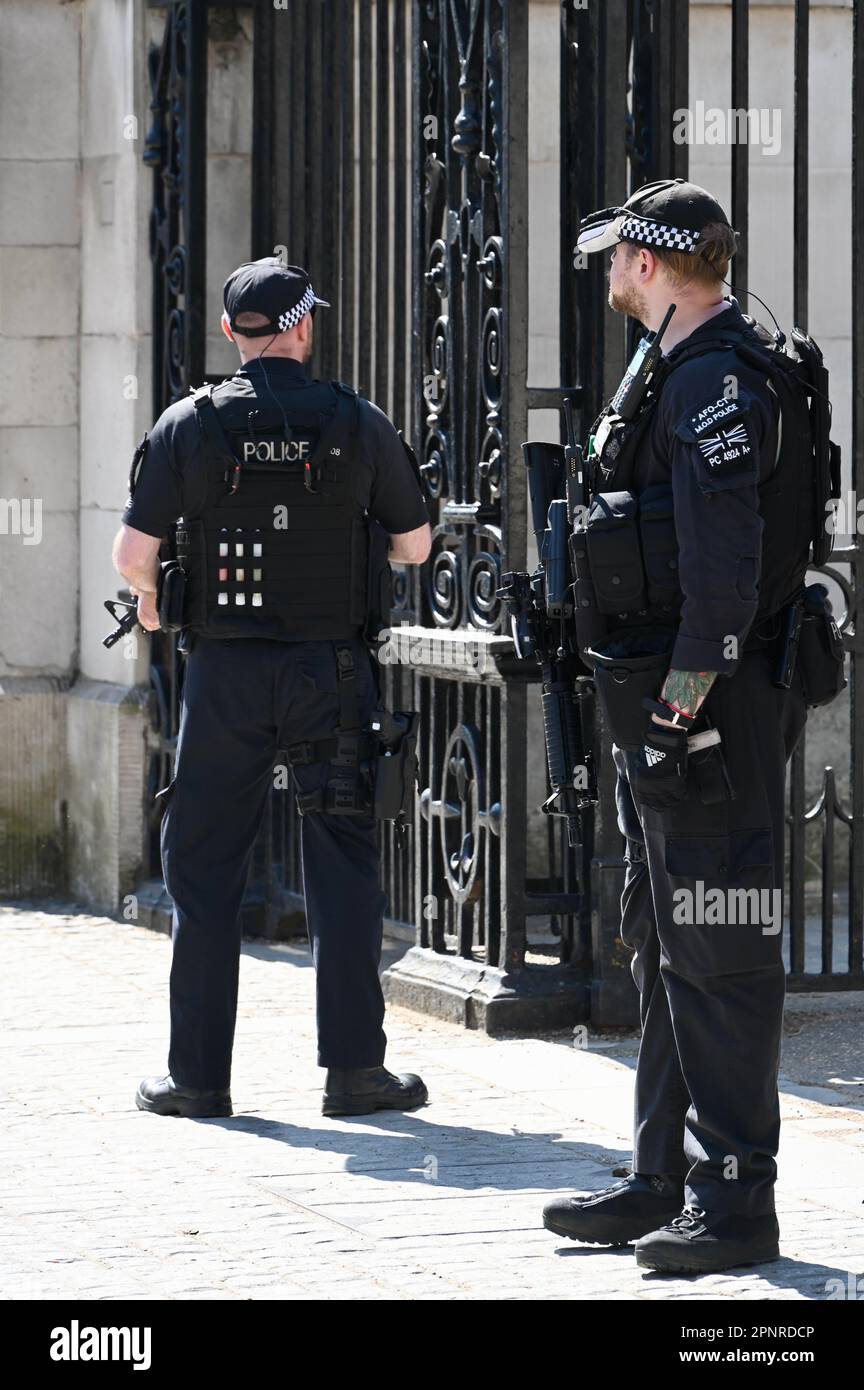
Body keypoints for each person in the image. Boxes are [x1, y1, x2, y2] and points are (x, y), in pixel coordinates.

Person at [542, 180, 810, 1273]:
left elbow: (723, 588)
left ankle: (739, 1200)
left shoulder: (715, 383)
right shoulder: (678, 361)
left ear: (651, 266)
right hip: (665, 705)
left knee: (719, 947)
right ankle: (662, 1175)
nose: (605, 271)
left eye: (615, 255)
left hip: (708, 713)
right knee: (664, 944)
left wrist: (673, 718)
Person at [113, 257, 432, 1120]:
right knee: (342, 865)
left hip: (223, 677)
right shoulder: (358, 423)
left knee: (205, 868)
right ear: (304, 328)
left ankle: (198, 1079)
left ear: (232, 334)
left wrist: (152, 603)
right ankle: (357, 1073)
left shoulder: (188, 424)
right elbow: (415, 546)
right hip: (331, 674)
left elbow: (134, 559)